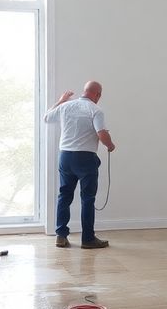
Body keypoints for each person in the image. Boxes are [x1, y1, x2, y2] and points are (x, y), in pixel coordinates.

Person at [44, 80, 116, 249]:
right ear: (98, 95)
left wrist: (61, 100)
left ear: (84, 91)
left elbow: (46, 117)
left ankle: (61, 236)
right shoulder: (95, 110)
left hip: (65, 157)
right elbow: (101, 134)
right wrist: (110, 145)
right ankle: (88, 239)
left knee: (64, 195)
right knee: (88, 199)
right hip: (85, 158)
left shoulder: (65, 106)